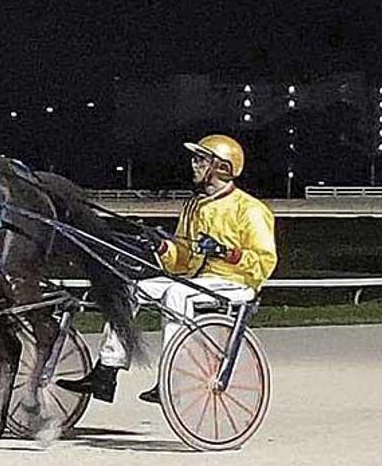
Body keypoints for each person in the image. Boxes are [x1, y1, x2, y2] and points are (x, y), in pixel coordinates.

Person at [57, 134, 277, 403]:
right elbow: (182, 260)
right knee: (129, 289)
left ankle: (171, 376)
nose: (193, 165)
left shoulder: (251, 209)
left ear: (222, 167)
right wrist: (162, 247)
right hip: (196, 281)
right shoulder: (193, 206)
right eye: (195, 159)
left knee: (177, 295)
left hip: (236, 284)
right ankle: (107, 370)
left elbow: (264, 262)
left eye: (200, 160)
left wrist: (225, 252)